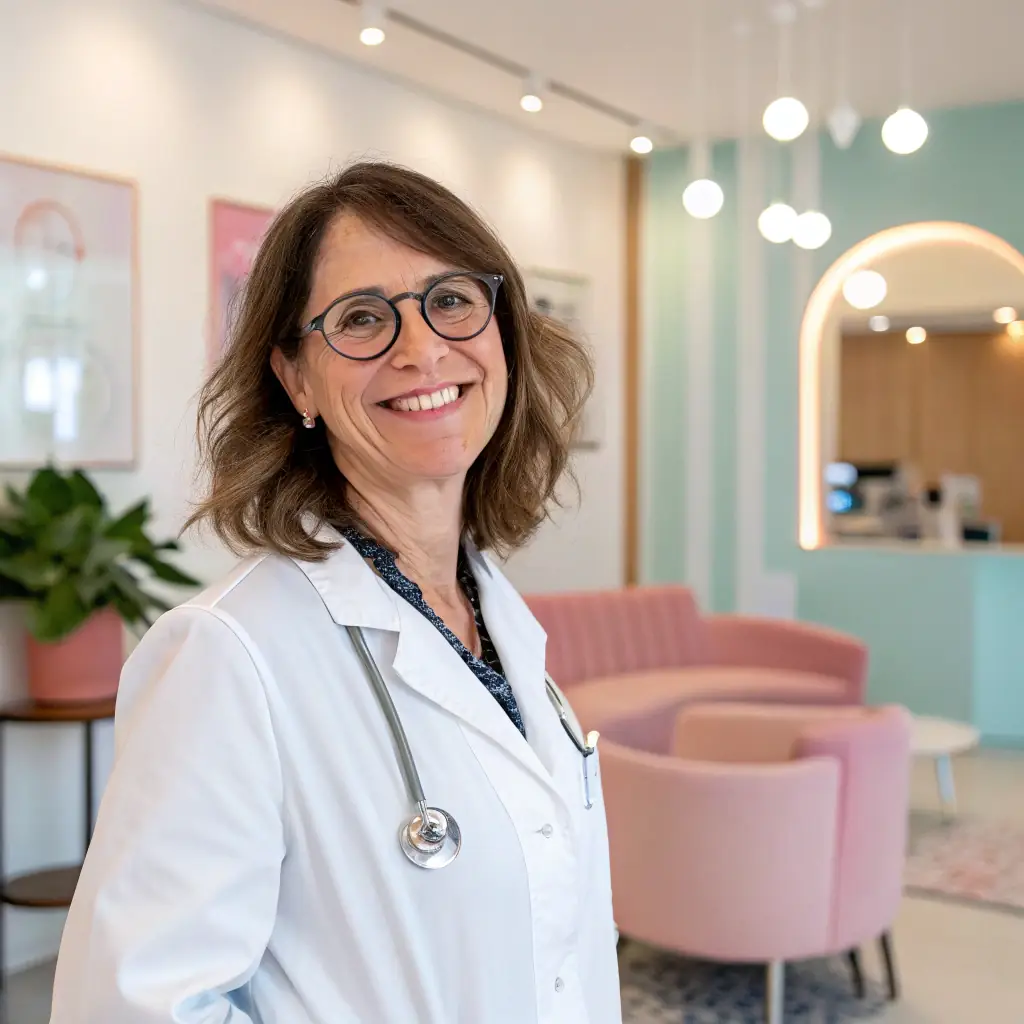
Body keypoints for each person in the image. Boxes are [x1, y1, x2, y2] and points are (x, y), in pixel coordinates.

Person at [50, 161, 622, 1023]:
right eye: (361, 319)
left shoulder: (492, 615)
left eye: (453, 300)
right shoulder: (229, 655)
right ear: (296, 380)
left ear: (502, 333)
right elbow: (133, 1005)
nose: (423, 348)